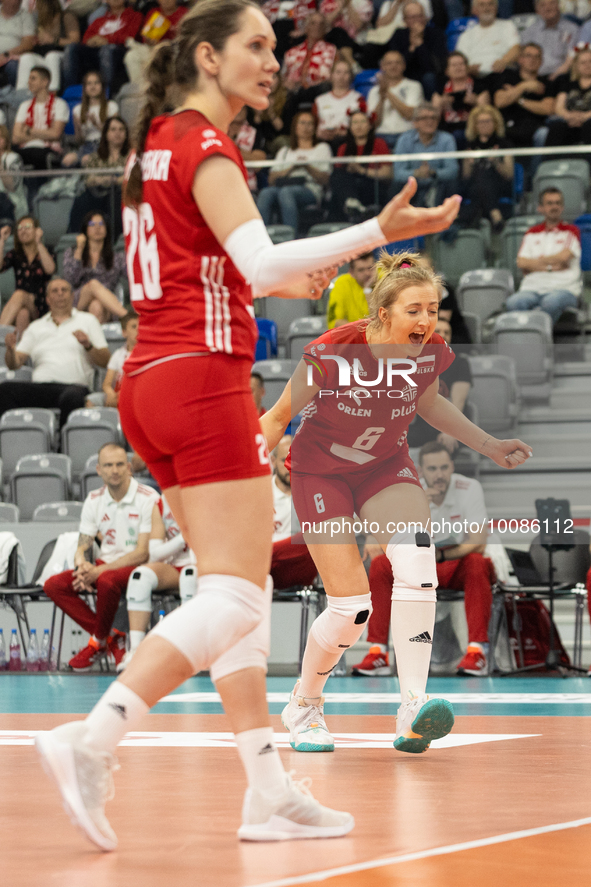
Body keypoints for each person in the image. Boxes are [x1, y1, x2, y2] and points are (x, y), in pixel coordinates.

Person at [34, 0, 462, 851]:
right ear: (205, 55)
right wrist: (377, 230)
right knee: (234, 593)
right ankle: (92, 736)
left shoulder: (151, 145)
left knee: (241, 594)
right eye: (257, 46)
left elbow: (216, 268)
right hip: (200, 379)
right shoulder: (204, 141)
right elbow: (261, 261)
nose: (275, 61)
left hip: (146, 378)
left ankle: (267, 785)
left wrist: (259, 284)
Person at [260, 251, 532, 756]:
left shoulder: (430, 352)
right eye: (415, 310)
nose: (426, 320)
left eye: (432, 308)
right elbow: (277, 419)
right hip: (321, 471)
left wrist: (490, 445)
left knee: (416, 563)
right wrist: (232, 478)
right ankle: (305, 703)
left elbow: (429, 403)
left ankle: (412, 706)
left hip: (384, 466)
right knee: (351, 608)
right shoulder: (334, 350)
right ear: (383, 313)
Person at [353, 441, 496, 677]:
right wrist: (418, 506)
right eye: (432, 469)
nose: (439, 475)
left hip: (453, 562)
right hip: (418, 564)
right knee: (380, 565)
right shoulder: (410, 488)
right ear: (421, 470)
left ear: (452, 466)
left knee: (477, 563)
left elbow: (478, 542)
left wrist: (441, 554)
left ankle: (476, 651)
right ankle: (378, 652)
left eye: (444, 467)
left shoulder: (469, 487)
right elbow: (385, 535)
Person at [44, 443, 160, 671]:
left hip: (140, 567)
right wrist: (82, 565)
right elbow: (84, 543)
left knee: (106, 580)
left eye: (119, 465)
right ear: (98, 470)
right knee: (54, 585)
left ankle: (97, 641)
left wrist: (96, 572)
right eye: (108, 465)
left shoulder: (148, 497)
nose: (114, 470)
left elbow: (143, 552)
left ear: (129, 468)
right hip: (104, 565)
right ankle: (111, 638)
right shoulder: (94, 499)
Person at [1, 277, 110, 426]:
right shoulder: (35, 327)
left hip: (74, 386)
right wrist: (10, 350)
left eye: (64, 290)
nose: (60, 294)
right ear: (47, 299)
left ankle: (63, 445)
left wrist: (88, 345)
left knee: (72, 397)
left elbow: (106, 361)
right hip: (41, 387)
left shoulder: (88, 321)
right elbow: (14, 364)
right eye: (55, 290)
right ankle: (12, 442)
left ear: (72, 296)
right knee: (5, 390)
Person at [119, 493, 195, 672]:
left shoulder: (204, 492)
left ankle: (189, 648)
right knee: (140, 577)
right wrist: (183, 538)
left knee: (189, 576)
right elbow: (154, 553)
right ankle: (136, 651)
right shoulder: (161, 502)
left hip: (205, 563)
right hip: (175, 564)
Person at [505, 187, 581, 324]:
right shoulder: (531, 233)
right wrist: (552, 266)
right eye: (550, 203)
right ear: (540, 208)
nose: (554, 207)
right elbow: (522, 263)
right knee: (513, 302)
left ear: (562, 207)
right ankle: (533, 339)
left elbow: (564, 258)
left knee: (550, 303)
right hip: (532, 288)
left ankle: (537, 341)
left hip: (564, 289)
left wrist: (535, 263)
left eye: (558, 203)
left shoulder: (571, 231)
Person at [257, 110, 332, 233]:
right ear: (295, 127)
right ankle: (262, 236)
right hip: (284, 185)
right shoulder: (285, 151)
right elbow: (271, 180)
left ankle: (290, 236)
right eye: (302, 123)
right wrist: (291, 167)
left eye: (310, 124)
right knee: (265, 193)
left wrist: (307, 166)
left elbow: (325, 179)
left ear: (314, 127)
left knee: (286, 193)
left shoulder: (322, 148)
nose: (306, 127)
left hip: (310, 188)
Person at [407, 316, 472, 451]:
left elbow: (458, 401)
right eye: (438, 331)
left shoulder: (460, 363)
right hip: (423, 425)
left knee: (446, 444)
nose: (443, 335)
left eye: (446, 332)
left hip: (450, 424)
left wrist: (450, 431)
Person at [67, 116, 131, 239]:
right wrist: (100, 180)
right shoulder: (96, 157)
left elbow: (133, 176)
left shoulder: (131, 155)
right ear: (106, 134)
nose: (117, 133)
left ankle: (116, 240)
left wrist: (115, 180)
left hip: (121, 193)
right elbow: (88, 179)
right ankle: (76, 238)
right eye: (113, 129)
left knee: (115, 198)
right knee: (82, 199)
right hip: (98, 194)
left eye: (121, 129)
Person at [269, 434, 318, 590]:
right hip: (269, 567)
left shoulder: (314, 494)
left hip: (304, 567)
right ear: (273, 462)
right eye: (285, 460)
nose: (291, 466)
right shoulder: (259, 496)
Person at [61, 0, 143, 92]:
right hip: (96, 51)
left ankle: (106, 93)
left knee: (106, 50)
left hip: (120, 50)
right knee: (71, 48)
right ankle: (70, 91)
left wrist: (107, 40)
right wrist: (91, 41)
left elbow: (130, 36)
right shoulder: (99, 20)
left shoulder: (135, 16)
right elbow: (86, 38)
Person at [63, 211, 127, 323]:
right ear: (85, 230)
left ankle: (93, 340)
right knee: (93, 284)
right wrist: (79, 249)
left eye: (101, 224)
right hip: (78, 303)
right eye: (92, 224)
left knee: (96, 306)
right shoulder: (72, 252)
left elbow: (133, 276)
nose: (97, 228)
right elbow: (69, 281)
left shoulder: (116, 257)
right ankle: (126, 317)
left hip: (106, 304)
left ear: (106, 230)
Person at [460, 104, 514, 233]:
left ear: (495, 123)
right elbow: (465, 176)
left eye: (488, 121)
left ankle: (467, 219)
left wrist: (495, 162)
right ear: (475, 125)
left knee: (484, 175)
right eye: (480, 122)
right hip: (475, 187)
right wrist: (469, 163)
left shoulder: (504, 144)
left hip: (499, 184)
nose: (484, 125)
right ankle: (495, 214)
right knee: (479, 177)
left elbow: (509, 174)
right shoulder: (470, 145)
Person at [393, 103, 459, 208]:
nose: (430, 121)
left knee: (452, 185)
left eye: (433, 118)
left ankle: (449, 221)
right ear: (415, 122)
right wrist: (417, 173)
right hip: (413, 183)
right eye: (424, 118)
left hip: (438, 184)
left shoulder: (447, 139)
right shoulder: (404, 140)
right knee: (396, 187)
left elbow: (452, 170)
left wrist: (432, 173)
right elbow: (398, 173)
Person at [329, 110, 391, 221]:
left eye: (363, 122)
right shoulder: (343, 148)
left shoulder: (379, 143)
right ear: (350, 127)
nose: (359, 126)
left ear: (370, 125)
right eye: (355, 122)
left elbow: (387, 174)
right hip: (350, 187)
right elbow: (338, 177)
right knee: (337, 175)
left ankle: (353, 205)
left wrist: (360, 170)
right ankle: (352, 204)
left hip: (372, 187)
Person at [494, 42, 557, 151]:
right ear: (520, 59)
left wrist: (518, 99)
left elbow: (547, 109)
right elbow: (500, 101)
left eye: (537, 57)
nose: (532, 60)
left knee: (544, 134)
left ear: (541, 61)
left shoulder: (547, 83)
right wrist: (524, 86)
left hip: (535, 129)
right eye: (528, 56)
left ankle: (537, 168)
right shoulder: (508, 77)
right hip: (508, 127)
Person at [0, 216, 55, 335]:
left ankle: (0, 331)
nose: (23, 230)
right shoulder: (15, 254)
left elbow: (50, 269)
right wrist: (1, 241)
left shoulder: (46, 250)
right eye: (19, 228)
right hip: (23, 306)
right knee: (22, 314)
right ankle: (19, 352)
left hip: (41, 306)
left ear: (36, 230)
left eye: (27, 227)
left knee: (19, 294)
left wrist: (38, 242)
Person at [11, 66, 69, 172]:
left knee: (38, 155)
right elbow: (15, 138)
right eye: (29, 78)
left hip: (48, 150)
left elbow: (56, 134)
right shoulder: (24, 105)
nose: (29, 82)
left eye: (33, 78)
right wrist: (45, 134)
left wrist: (29, 131)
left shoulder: (60, 104)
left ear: (45, 82)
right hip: (24, 149)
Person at [15, 0, 80, 92]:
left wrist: (52, 40)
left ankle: (52, 92)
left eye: (39, 5)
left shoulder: (66, 16)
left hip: (62, 54)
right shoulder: (38, 21)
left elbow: (75, 40)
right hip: (42, 54)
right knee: (26, 57)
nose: (36, 9)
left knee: (51, 56)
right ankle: (22, 92)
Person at [387, 1, 447, 100]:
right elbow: (398, 63)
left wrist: (420, 44)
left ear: (425, 18)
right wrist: (412, 48)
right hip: (405, 75)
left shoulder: (436, 34)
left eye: (420, 16)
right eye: (412, 17)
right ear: (404, 20)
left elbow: (435, 66)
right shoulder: (398, 35)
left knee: (429, 78)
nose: (417, 21)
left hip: (430, 76)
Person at [366, 50, 424, 149]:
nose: (393, 66)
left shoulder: (414, 86)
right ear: (383, 66)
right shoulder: (374, 91)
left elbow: (409, 115)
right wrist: (381, 98)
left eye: (397, 63)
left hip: (407, 134)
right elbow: (374, 123)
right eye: (389, 63)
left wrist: (387, 92)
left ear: (404, 66)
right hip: (380, 136)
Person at [432, 51, 491, 147]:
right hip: (447, 129)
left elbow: (487, 113)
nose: (458, 67)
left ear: (467, 68)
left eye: (461, 64)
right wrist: (442, 104)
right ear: (447, 71)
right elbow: (433, 117)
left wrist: (475, 102)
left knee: (458, 135)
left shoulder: (479, 86)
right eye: (454, 65)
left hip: (473, 128)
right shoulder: (440, 89)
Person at [62, 71, 119, 168]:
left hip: (104, 146)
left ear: (102, 86)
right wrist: (79, 128)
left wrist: (97, 125)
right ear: (85, 88)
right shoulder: (78, 110)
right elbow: (79, 140)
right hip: (86, 146)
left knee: (86, 160)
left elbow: (115, 135)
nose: (93, 87)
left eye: (96, 83)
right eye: (89, 83)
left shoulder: (112, 106)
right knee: (67, 160)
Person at [456, 0, 520, 85]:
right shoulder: (465, 36)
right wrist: (468, 69)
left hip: (502, 74)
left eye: (490, 4)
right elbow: (459, 60)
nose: (486, 8)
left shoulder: (508, 26)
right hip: (475, 78)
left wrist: (504, 61)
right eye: (482, 5)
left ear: (496, 8)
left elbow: (516, 50)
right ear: (474, 10)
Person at [124, 0, 188, 84]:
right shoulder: (153, 12)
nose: (166, 1)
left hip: (175, 52)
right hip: (153, 50)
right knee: (131, 55)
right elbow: (145, 38)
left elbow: (188, 37)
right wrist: (149, 40)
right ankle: (140, 90)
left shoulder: (185, 13)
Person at [544, 47, 591, 151]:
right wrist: (570, 116)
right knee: (557, 127)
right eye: (583, 62)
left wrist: (583, 117)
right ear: (576, 65)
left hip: (588, 121)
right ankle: (550, 164)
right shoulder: (567, 83)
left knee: (589, 126)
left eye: (590, 61)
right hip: (569, 121)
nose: (587, 65)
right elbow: (559, 108)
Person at [282, 11, 337, 99]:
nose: (317, 27)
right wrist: (287, 83)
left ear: (325, 28)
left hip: (319, 91)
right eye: (313, 23)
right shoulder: (291, 52)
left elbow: (336, 74)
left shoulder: (332, 50)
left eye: (321, 24)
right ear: (306, 27)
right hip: (294, 92)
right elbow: (283, 77)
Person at [521, 0, 579, 80]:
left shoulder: (572, 29)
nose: (547, 8)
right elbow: (523, 60)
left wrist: (556, 76)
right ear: (537, 10)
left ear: (558, 6)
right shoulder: (529, 32)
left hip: (560, 77)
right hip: (533, 77)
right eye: (542, 5)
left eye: (552, 3)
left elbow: (572, 57)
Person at [313, 59, 365, 146]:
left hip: (348, 141)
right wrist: (318, 133)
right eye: (338, 72)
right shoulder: (319, 100)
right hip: (323, 141)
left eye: (346, 73)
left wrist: (345, 132)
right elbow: (313, 124)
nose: (342, 76)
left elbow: (363, 124)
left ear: (351, 76)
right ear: (331, 75)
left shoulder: (358, 98)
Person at [326, 251, 375, 327]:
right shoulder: (341, 284)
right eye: (361, 270)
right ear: (351, 272)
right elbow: (334, 321)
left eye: (370, 268)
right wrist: (362, 331)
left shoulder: (384, 279)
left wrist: (368, 289)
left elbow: (381, 320)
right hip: (353, 335)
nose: (367, 273)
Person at [101, 309, 138, 407]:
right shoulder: (118, 355)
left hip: (137, 394)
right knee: (92, 401)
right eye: (134, 327)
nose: (138, 330)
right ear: (124, 332)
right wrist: (111, 394)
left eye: (141, 326)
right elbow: (106, 384)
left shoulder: (148, 354)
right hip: (118, 394)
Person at [0, 0, 35, 87]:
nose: (15, 1)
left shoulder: (25, 16)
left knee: (13, 66)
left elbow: (28, 43)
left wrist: (6, 54)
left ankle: (15, 97)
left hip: (12, 57)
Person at [0, 125, 28, 223]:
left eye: (0, 137)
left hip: (12, 203)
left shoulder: (14, 158)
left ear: (6, 140)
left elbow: (12, 187)